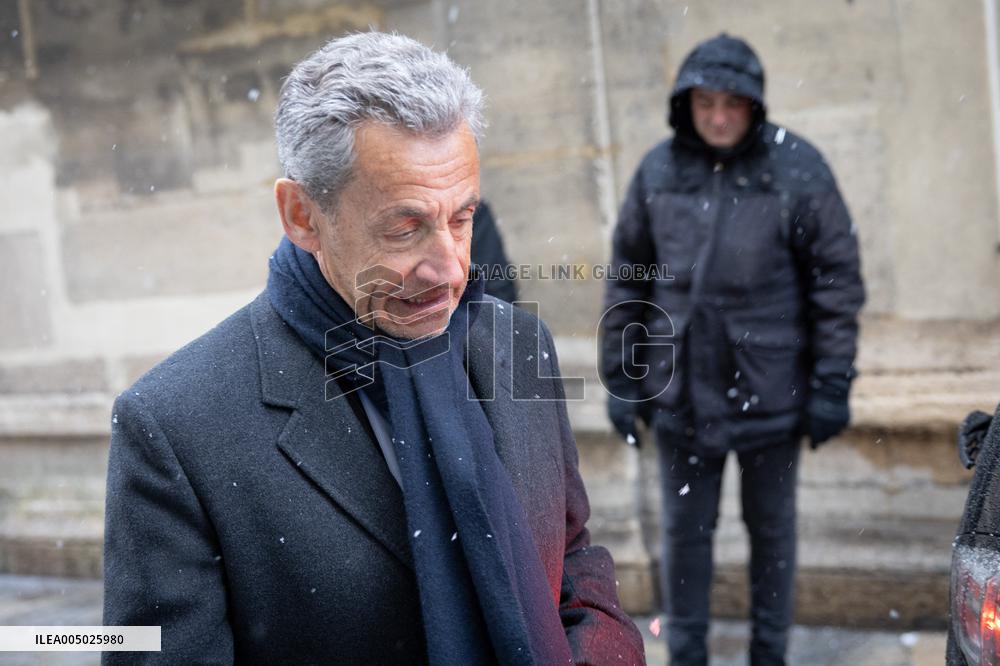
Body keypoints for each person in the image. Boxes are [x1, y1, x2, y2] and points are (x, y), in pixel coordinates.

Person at [103, 32, 644, 664]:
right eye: (404, 227)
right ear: (302, 214)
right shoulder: (175, 426)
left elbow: (574, 557)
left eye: (463, 218)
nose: (449, 269)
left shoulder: (518, 342)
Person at [600, 33, 864, 665]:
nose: (717, 117)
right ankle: (686, 656)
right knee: (685, 542)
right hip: (681, 396)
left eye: (732, 104)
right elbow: (628, 278)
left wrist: (832, 385)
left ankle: (768, 656)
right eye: (705, 103)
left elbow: (836, 285)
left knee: (772, 538)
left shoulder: (799, 169)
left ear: (754, 107)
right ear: (685, 105)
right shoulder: (658, 171)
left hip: (772, 396)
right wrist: (624, 377)